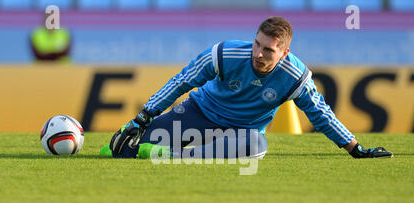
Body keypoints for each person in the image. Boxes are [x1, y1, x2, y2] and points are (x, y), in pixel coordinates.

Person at [109, 16, 392, 160]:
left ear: (284, 53)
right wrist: (143, 117)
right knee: (123, 151)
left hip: (243, 132)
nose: (258, 54)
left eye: (268, 50)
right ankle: (175, 147)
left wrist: (356, 149)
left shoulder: (295, 76)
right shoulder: (223, 54)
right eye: (257, 44)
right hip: (199, 113)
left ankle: (177, 156)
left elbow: (321, 113)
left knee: (257, 145)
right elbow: (181, 81)